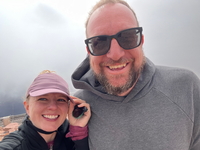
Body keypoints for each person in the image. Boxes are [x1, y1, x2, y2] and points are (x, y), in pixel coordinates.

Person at [71, 0, 200, 150]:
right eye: (99, 42)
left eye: (127, 37)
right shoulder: (78, 107)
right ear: (88, 50)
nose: (115, 54)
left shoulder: (185, 88)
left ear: (141, 41)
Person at [0, 70, 91, 150]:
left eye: (61, 100)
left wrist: (78, 131)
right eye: (43, 99)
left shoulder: (72, 138)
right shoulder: (15, 145)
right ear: (27, 107)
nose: (53, 107)